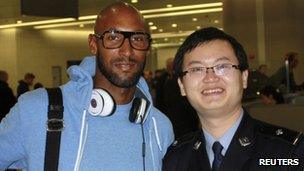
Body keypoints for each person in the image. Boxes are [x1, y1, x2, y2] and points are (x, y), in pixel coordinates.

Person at [0, 2, 173, 170]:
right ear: (93, 44)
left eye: (137, 38)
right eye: (113, 37)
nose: (127, 51)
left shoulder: (160, 127)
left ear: (147, 47)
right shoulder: (37, 110)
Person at [162, 27, 304, 170]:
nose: (210, 78)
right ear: (182, 86)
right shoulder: (175, 159)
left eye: (222, 66)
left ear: (244, 77)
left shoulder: (288, 153)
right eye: (196, 69)